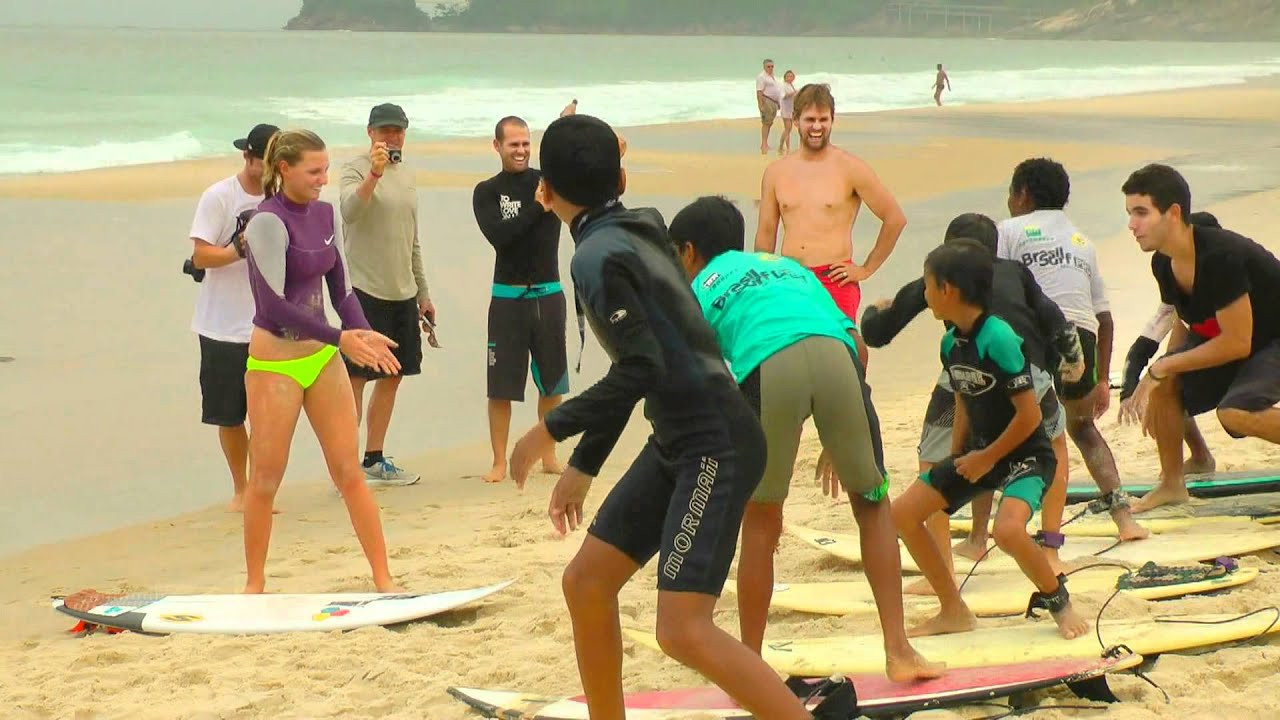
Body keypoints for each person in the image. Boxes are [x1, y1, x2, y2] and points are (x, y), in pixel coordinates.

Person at [506, 115, 843, 720]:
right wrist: (584, 463)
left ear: (544, 191)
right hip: (681, 439)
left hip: (714, 444)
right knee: (586, 583)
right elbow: (639, 363)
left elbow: (638, 368)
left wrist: (549, 429)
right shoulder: (642, 224)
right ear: (623, 176)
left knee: (682, 627)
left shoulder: (596, 260)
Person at [671, 195, 943, 682]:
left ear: (689, 252)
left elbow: (691, 367)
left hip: (767, 366)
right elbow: (857, 344)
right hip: (838, 361)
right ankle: (898, 650)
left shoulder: (699, 286)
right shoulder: (791, 269)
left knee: (761, 519)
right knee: (873, 504)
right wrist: (838, 432)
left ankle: (752, 664)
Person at [861, 213, 1082, 575]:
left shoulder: (943, 277)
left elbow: (878, 333)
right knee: (1054, 444)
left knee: (935, 460)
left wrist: (875, 310)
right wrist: (1074, 364)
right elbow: (1054, 319)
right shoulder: (1014, 271)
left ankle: (943, 566)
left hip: (970, 375)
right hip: (1032, 373)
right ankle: (1048, 546)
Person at [891, 241, 1090, 640]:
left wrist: (986, 457)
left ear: (948, 290)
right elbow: (964, 398)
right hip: (979, 452)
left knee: (1009, 532)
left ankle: (1059, 602)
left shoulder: (999, 337)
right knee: (902, 515)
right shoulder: (951, 342)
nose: (924, 295)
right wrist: (955, 459)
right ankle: (953, 609)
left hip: (1025, 455)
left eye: (927, 286)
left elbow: (1030, 415)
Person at [241, 129, 402, 594]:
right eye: (314, 171)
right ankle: (255, 584)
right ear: (284, 169)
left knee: (349, 472)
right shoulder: (266, 222)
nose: (323, 179)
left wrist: (363, 334)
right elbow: (272, 306)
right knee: (266, 480)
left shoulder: (327, 213)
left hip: (321, 359)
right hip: (276, 364)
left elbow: (342, 290)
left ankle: (384, 579)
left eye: (326, 169)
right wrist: (340, 337)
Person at [998, 158, 1148, 541]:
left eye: (1011, 193)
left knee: (1009, 428)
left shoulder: (1009, 230)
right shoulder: (1082, 240)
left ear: (1023, 194)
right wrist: (1099, 380)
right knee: (1082, 428)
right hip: (1082, 340)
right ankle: (1124, 519)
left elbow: (994, 289)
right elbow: (1105, 318)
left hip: (1034, 337)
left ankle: (995, 531)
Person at [1122, 164, 1280, 512]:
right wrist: (1165, 388)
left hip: (1270, 339)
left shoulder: (1220, 256)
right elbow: (1186, 322)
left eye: (1141, 212)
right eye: (1130, 213)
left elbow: (1237, 342)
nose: (1131, 225)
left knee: (1236, 412)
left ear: (1174, 212)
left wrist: (1160, 367)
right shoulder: (1164, 263)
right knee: (1167, 382)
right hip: (1250, 341)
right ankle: (1171, 484)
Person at [755, 83, 907, 368]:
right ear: (796, 120)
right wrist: (764, 283)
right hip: (790, 279)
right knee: (789, 363)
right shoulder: (776, 172)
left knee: (842, 359)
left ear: (832, 121)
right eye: (810, 120)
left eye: (823, 120)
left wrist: (865, 268)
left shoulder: (851, 168)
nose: (816, 127)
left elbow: (894, 218)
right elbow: (765, 234)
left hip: (834, 278)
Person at [339, 103, 433, 486]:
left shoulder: (408, 175)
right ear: (370, 132)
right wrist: (374, 175)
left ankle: (373, 459)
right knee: (357, 379)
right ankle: (344, 465)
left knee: (393, 376)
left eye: (398, 130)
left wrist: (423, 293)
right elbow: (349, 212)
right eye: (385, 130)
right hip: (365, 291)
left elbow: (413, 240)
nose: (392, 137)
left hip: (403, 292)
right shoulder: (355, 168)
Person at [472, 116, 569, 483]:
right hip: (507, 300)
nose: (521, 150)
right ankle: (499, 461)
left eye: (526, 143)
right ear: (497, 146)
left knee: (552, 382)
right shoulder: (487, 191)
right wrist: (538, 208)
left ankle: (548, 453)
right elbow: (501, 236)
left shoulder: (549, 183)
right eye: (513, 144)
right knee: (501, 387)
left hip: (548, 295)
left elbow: (589, 181)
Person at [187, 122, 277, 512]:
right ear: (248, 157)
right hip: (221, 325)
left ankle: (261, 490)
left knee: (268, 415)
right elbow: (201, 256)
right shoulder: (219, 197)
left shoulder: (282, 198)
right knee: (229, 414)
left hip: (269, 325)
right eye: (265, 162)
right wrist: (239, 250)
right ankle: (240, 489)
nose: (270, 170)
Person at [1116, 211, 1223, 474]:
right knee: (1166, 389)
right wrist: (1129, 390)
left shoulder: (1231, 273)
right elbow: (1148, 339)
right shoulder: (1175, 277)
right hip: (1210, 338)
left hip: (1253, 343)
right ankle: (1200, 457)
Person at [755, 58, 783, 155]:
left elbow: (776, 90)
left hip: (774, 102)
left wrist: (779, 102)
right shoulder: (761, 77)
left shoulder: (772, 77)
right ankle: (763, 144)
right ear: (764, 67)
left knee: (770, 122)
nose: (770, 68)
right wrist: (760, 105)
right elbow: (759, 91)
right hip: (766, 100)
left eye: (772, 66)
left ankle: (766, 142)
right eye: (768, 66)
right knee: (766, 123)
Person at [779, 70, 797, 155]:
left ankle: (782, 146)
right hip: (785, 109)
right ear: (785, 77)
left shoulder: (791, 85)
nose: (790, 78)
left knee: (788, 129)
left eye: (791, 76)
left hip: (791, 109)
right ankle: (786, 147)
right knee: (787, 128)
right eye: (788, 76)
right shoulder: (783, 86)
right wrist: (793, 93)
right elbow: (784, 97)